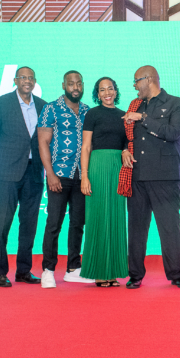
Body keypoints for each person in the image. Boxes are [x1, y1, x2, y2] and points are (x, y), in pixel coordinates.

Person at [121, 66, 180, 289]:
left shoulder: (176, 103)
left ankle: (175, 274)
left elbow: (173, 133)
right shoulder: (135, 105)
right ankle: (135, 275)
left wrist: (143, 118)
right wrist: (124, 150)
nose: (134, 85)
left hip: (165, 176)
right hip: (138, 175)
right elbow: (129, 137)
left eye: (136, 80)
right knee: (136, 229)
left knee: (169, 227)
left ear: (149, 79)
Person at [0, 66, 46, 287]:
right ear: (15, 80)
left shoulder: (43, 106)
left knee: (29, 225)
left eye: (31, 78)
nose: (27, 81)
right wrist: (2, 160)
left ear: (35, 81)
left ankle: (24, 271)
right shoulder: (1, 103)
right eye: (23, 77)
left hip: (34, 172)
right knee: (2, 224)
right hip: (7, 172)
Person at [37, 70, 94, 288]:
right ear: (64, 85)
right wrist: (50, 174)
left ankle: (73, 269)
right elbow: (43, 142)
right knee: (54, 223)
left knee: (78, 223)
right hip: (59, 175)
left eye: (79, 83)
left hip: (82, 176)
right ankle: (48, 270)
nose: (75, 87)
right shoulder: (51, 109)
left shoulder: (88, 111)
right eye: (71, 83)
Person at [79, 77, 129, 287]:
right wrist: (84, 175)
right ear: (97, 94)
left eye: (110, 88)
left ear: (116, 91)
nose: (107, 93)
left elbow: (127, 143)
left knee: (116, 216)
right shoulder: (92, 114)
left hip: (118, 168)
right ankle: (99, 271)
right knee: (97, 216)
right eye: (102, 90)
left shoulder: (124, 115)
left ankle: (113, 271)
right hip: (97, 166)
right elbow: (86, 147)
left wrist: (125, 150)